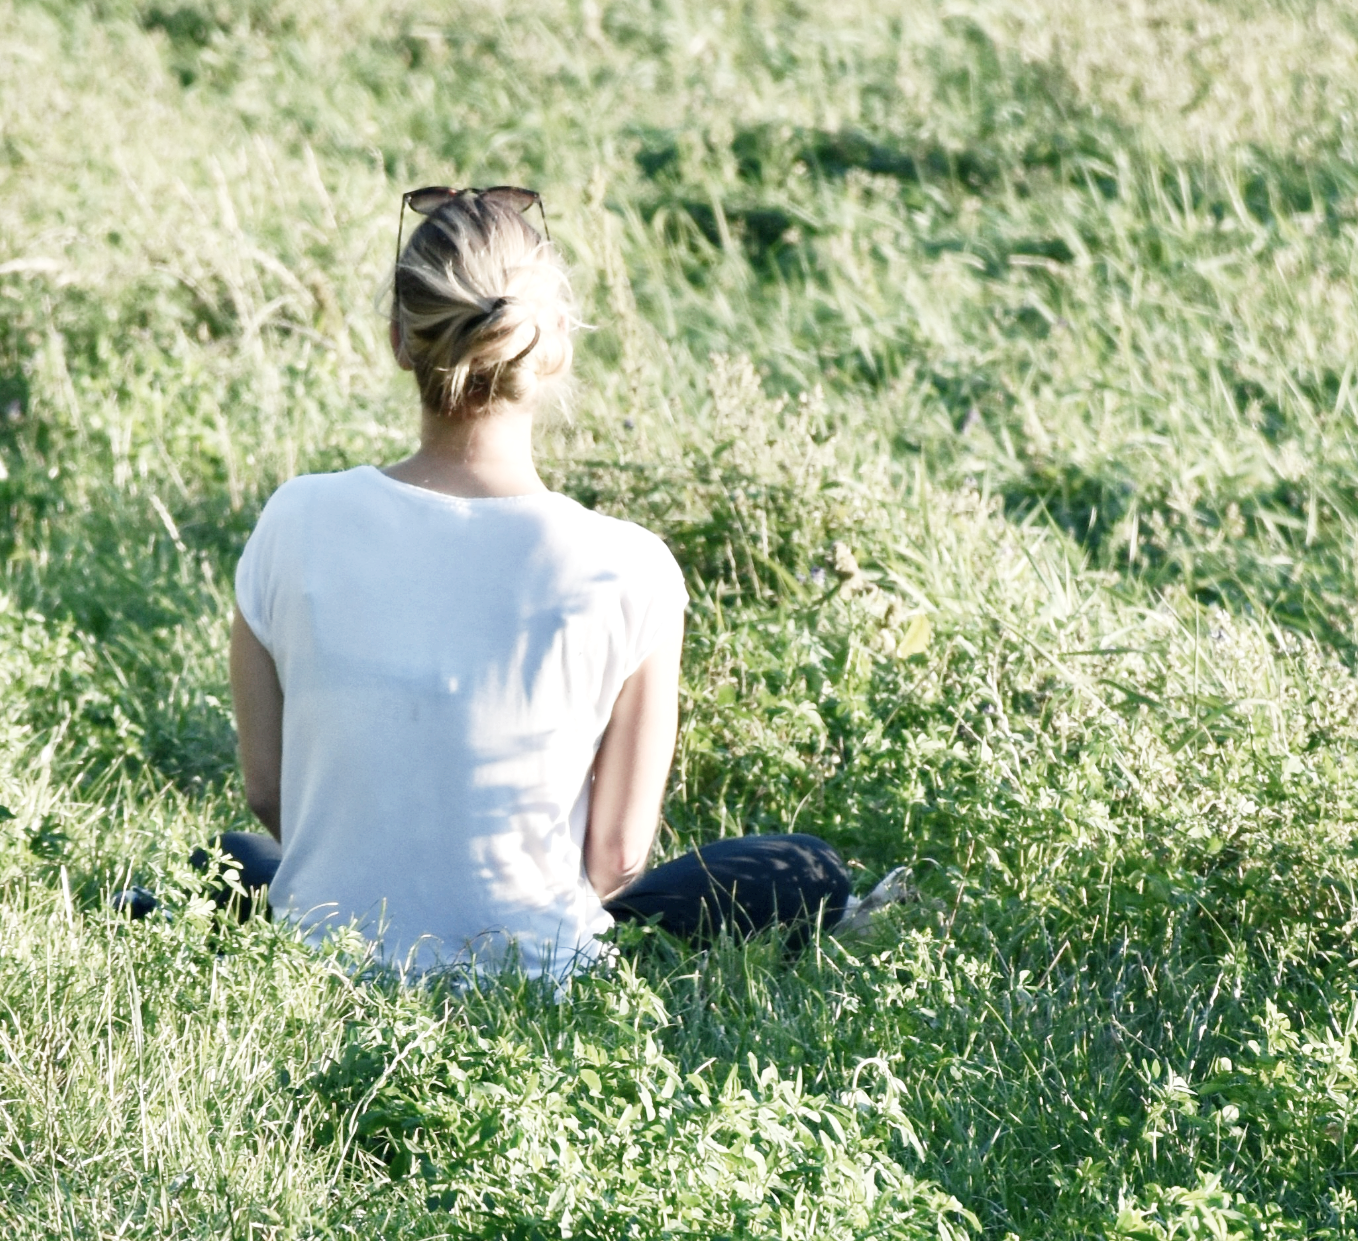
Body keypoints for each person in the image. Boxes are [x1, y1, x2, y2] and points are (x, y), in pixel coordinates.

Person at [207, 186, 908, 977]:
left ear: (401, 339)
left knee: (234, 856)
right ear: (557, 346)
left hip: (321, 950)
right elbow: (615, 858)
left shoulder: (296, 516)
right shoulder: (631, 564)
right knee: (802, 869)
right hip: (534, 972)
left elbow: (271, 793)